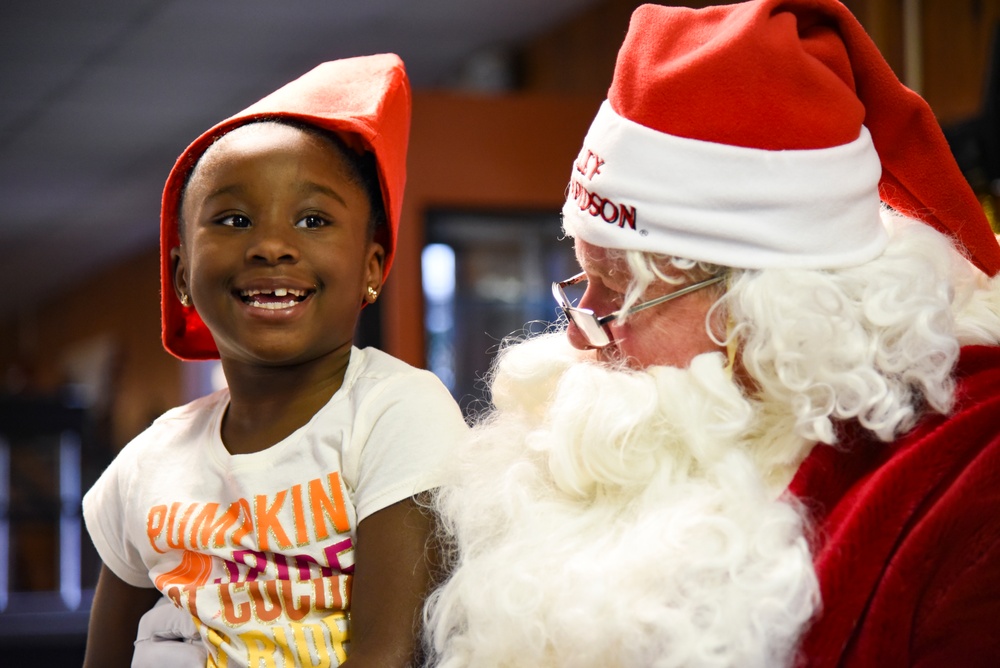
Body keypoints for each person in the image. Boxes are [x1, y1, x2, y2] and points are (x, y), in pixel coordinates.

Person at [423, 1, 1000, 666]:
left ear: (774, 311)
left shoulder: (966, 487)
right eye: (583, 280)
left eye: (625, 293)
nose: (581, 339)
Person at [81, 54, 468, 667]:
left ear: (372, 268)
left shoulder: (396, 411)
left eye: (313, 220)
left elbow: (391, 657)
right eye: (233, 219)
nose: (270, 246)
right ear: (181, 274)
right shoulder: (148, 464)